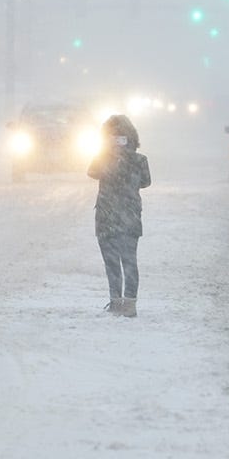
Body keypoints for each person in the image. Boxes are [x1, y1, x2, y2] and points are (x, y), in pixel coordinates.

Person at [87, 112, 152, 317]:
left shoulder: (101, 160)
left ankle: (116, 301)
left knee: (112, 263)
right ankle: (130, 303)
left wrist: (107, 154)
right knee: (130, 261)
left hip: (107, 217)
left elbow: (91, 172)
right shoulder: (140, 161)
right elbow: (146, 182)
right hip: (130, 216)